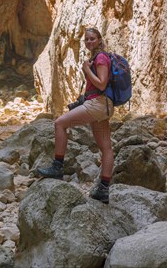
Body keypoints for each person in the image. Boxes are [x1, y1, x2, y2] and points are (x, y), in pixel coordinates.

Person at [37, 27, 114, 204]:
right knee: (106, 147)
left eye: (92, 39)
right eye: (86, 39)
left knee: (60, 124)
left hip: (98, 104)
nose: (89, 42)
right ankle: (103, 189)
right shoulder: (98, 57)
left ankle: (57, 166)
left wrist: (87, 70)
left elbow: (101, 84)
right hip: (103, 106)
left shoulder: (101, 58)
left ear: (100, 40)